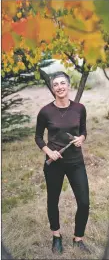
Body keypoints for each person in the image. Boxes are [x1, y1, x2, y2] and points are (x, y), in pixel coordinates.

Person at [35, 71, 90, 254]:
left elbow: (83, 131)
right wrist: (49, 151)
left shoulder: (79, 108)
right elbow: (38, 137)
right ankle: (56, 236)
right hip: (54, 163)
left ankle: (78, 239)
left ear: (69, 85)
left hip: (76, 162)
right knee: (53, 200)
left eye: (62, 83)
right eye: (55, 84)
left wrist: (81, 138)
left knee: (84, 202)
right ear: (53, 88)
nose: (59, 87)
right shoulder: (45, 111)